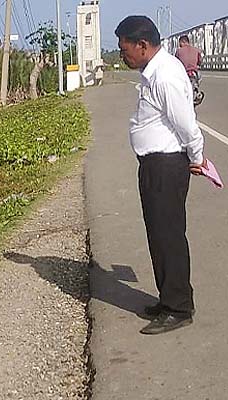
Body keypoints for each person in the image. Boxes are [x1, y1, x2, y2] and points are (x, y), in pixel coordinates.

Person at [115, 16, 206, 334]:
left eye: (124, 48)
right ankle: (168, 299)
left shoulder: (164, 75)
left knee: (168, 236)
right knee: (159, 234)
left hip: (166, 166)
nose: (121, 54)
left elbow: (186, 124)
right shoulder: (152, 72)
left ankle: (179, 307)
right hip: (156, 165)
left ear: (142, 45)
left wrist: (197, 157)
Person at [174, 35, 204, 105]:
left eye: (180, 43)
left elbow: (175, 62)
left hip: (183, 73)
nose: (179, 45)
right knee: (199, 77)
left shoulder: (179, 51)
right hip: (194, 73)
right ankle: (197, 91)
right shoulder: (196, 50)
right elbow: (200, 62)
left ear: (183, 42)